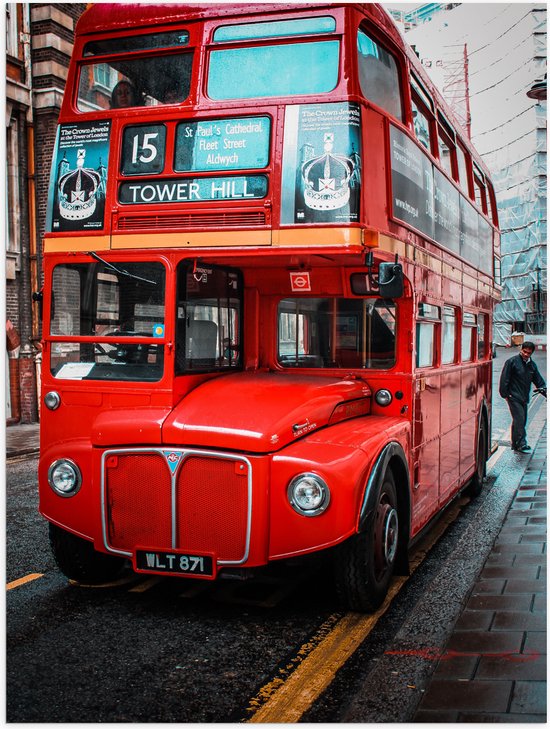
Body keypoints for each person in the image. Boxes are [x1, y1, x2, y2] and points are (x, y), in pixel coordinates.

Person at [499, 341, 546, 453]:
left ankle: (515, 444)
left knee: (521, 420)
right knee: (519, 419)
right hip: (513, 396)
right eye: (524, 352)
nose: (526, 354)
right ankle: (521, 444)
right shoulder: (512, 362)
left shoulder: (531, 365)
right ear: (521, 349)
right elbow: (504, 379)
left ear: (531, 353)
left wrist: (545, 392)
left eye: (528, 353)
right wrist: (505, 394)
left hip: (524, 397)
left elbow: (539, 381)